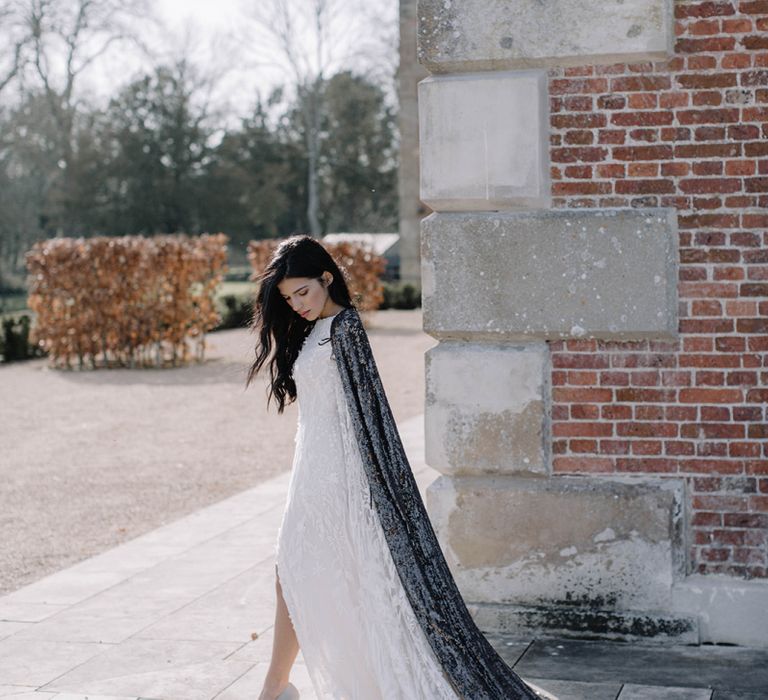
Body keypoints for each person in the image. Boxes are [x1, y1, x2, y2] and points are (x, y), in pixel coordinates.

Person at [246, 235, 541, 699]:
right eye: (288, 298)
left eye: (302, 291)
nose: (296, 304)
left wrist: (370, 494)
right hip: (314, 467)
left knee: (298, 570)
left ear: (326, 277)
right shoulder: (315, 331)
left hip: (341, 473)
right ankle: (277, 685)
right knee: (293, 570)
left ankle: (274, 688)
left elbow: (370, 415)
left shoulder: (345, 329)